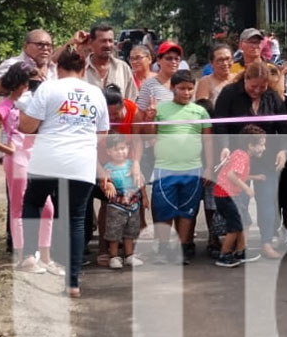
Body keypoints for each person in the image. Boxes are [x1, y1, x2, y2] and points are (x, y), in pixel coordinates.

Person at [17, 47, 112, 298]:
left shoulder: (48, 87)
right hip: (81, 162)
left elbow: (27, 127)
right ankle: (72, 282)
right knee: (76, 219)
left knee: (33, 201)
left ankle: (28, 254)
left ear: (58, 69)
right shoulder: (96, 93)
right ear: (83, 70)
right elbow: (102, 134)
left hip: (47, 159)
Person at [0, 64, 54, 273]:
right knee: (18, 207)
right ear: (22, 84)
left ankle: (44, 256)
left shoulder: (31, 104)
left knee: (47, 207)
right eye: (29, 82)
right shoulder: (5, 105)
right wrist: (7, 149)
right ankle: (25, 257)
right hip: (17, 158)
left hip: (33, 157)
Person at [212, 62, 287, 257]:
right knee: (240, 203)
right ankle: (240, 246)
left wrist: (282, 150)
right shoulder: (229, 93)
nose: (257, 91)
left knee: (267, 200)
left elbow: (284, 127)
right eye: (253, 86)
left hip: (267, 158)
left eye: (262, 87)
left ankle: (266, 242)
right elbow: (220, 125)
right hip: (238, 159)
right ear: (245, 79)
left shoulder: (272, 96)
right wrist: (223, 147)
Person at [144, 69, 211, 265]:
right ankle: (163, 249)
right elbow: (149, 136)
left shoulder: (200, 112)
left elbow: (208, 142)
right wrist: (150, 118)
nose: (186, 92)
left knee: (186, 211)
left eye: (190, 89)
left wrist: (208, 168)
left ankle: (182, 248)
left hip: (193, 169)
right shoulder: (162, 109)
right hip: (165, 169)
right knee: (165, 211)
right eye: (182, 88)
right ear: (173, 88)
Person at [212, 125, 269, 267]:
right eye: (261, 145)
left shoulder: (240, 154)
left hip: (229, 194)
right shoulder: (242, 156)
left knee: (246, 222)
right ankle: (224, 255)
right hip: (225, 195)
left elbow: (238, 174)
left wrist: (256, 177)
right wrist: (247, 189)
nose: (264, 148)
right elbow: (231, 175)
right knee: (235, 226)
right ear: (251, 145)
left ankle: (240, 251)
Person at [100, 134, 145, 271]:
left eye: (123, 148)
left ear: (128, 148)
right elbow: (104, 184)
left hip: (133, 204)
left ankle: (129, 255)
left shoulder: (132, 164)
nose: (120, 152)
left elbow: (140, 182)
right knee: (114, 232)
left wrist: (145, 197)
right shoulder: (107, 168)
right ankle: (114, 256)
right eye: (116, 150)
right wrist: (108, 185)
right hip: (116, 206)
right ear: (108, 151)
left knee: (130, 232)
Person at [0, 30, 58, 99]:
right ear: (25, 46)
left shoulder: (55, 69)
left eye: (49, 45)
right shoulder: (11, 64)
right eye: (40, 44)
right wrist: (23, 72)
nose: (45, 48)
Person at [83, 24, 139, 102]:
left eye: (110, 41)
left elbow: (131, 100)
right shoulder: (80, 69)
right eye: (103, 41)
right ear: (91, 42)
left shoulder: (122, 68)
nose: (108, 45)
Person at [136, 40, 183, 112]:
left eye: (177, 59)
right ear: (158, 60)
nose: (174, 62)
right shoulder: (149, 85)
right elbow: (139, 117)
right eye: (169, 58)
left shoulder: (183, 84)